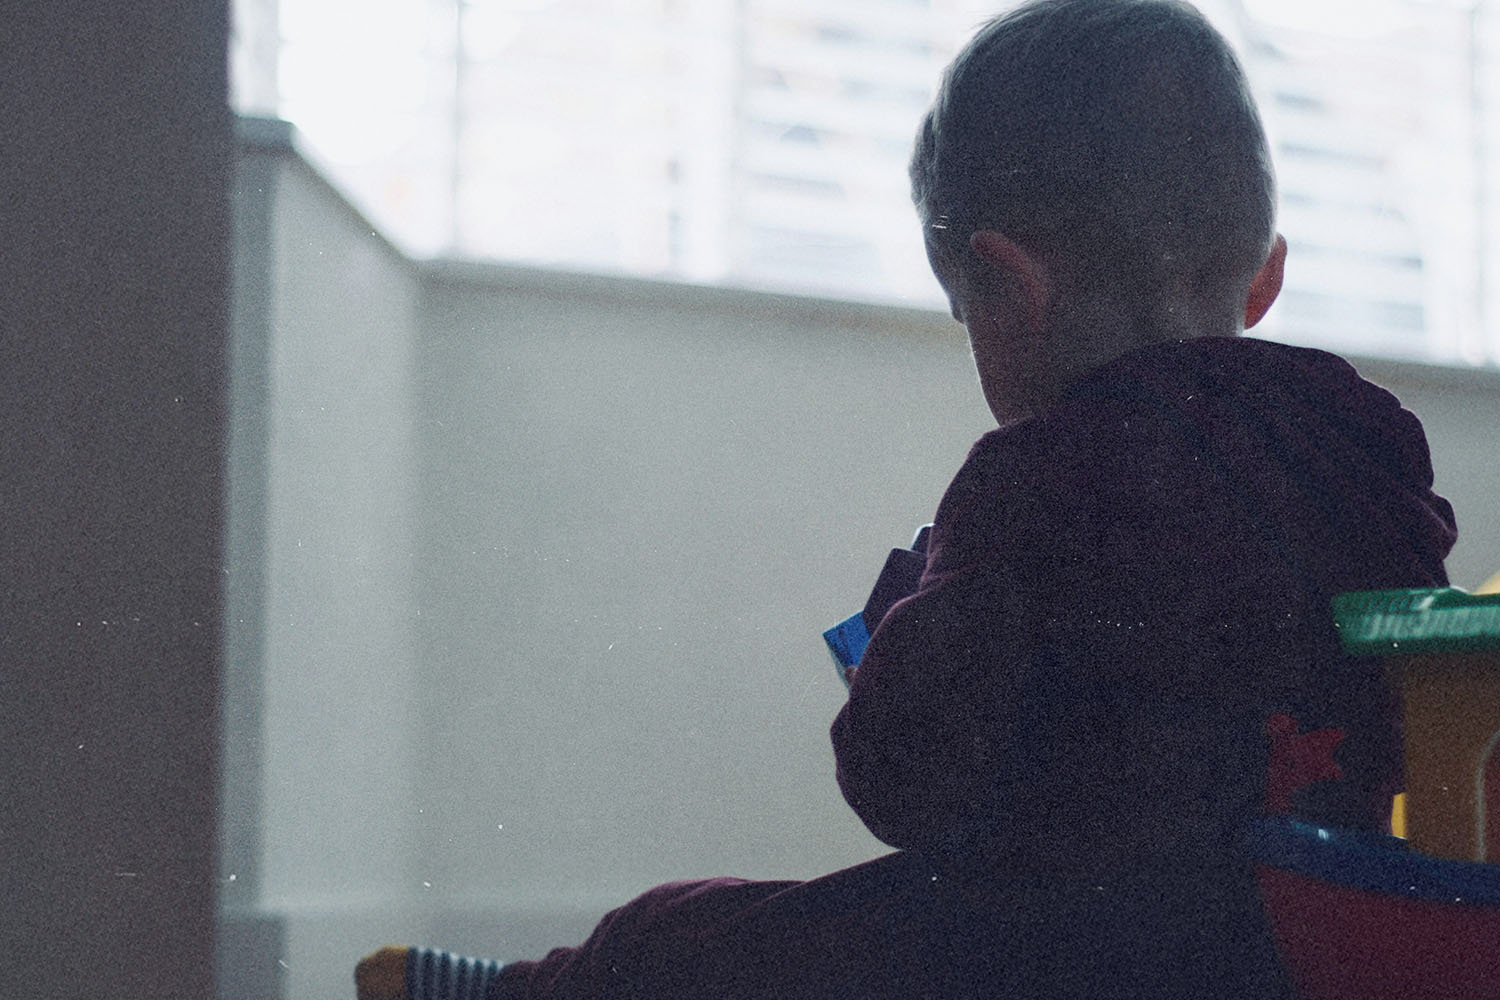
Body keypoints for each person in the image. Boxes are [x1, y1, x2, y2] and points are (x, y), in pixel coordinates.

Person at [359, 2, 1456, 997]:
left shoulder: (1036, 479)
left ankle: (530, 993)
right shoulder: (1366, 447)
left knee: (684, 941)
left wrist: (905, 624)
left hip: (1057, 951)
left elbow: (903, 780)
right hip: (1310, 945)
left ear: (1014, 292)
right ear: (1262, 277)